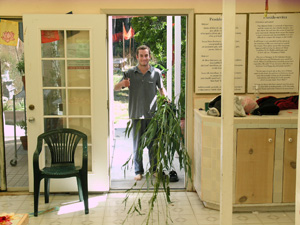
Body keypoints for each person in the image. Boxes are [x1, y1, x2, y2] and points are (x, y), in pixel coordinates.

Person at [114, 45, 167, 181]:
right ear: (137, 57)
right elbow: (115, 88)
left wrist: (167, 100)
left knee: (153, 145)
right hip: (136, 114)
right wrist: (123, 84)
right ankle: (138, 171)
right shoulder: (130, 73)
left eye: (146, 55)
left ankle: (154, 169)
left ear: (149, 56)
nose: (144, 58)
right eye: (141, 55)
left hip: (152, 115)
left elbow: (161, 89)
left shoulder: (156, 73)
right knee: (137, 145)